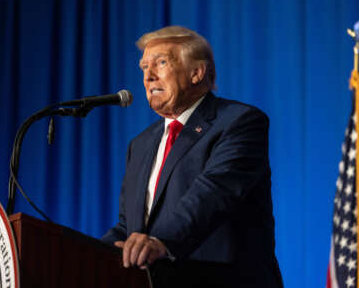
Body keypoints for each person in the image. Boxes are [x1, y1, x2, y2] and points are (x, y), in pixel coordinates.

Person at [102, 26, 283, 287]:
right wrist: (86, 256)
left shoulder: (239, 122)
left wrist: (160, 242)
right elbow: (128, 227)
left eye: (161, 62)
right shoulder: (140, 145)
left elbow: (213, 194)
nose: (148, 76)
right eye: (144, 67)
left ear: (197, 72)